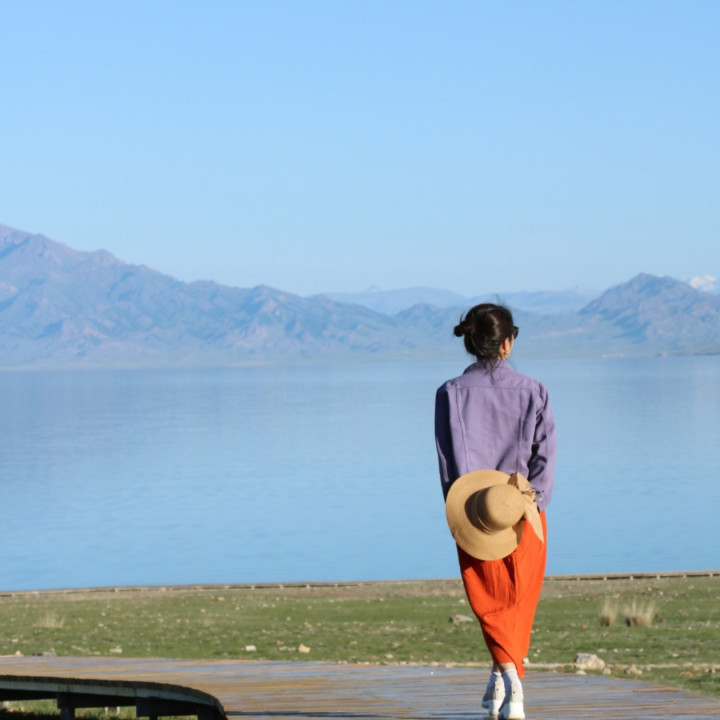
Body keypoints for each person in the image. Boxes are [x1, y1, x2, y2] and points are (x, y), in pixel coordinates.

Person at [434, 303, 556, 720]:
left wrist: (457, 506)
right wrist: (534, 502)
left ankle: (505, 679)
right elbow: (545, 457)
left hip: (473, 511)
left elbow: (447, 462)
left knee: (488, 601)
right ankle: (511, 680)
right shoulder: (534, 390)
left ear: (471, 342)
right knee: (517, 602)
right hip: (522, 510)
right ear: (507, 343)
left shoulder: (450, 393)